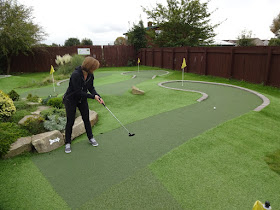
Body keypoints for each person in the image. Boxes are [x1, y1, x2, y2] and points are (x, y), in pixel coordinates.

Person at [63, 56, 104, 154]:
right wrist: (92, 97)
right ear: (89, 67)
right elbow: (77, 92)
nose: (94, 70)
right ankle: (67, 142)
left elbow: (91, 88)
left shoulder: (90, 75)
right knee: (70, 121)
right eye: (94, 68)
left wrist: (98, 96)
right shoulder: (76, 75)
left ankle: (91, 137)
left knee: (86, 119)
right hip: (71, 99)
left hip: (82, 99)